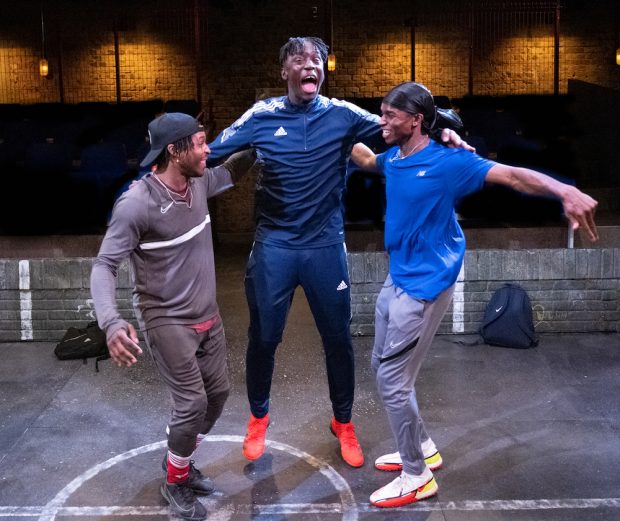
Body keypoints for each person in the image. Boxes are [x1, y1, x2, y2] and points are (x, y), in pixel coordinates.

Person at [206, 36, 470, 468]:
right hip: (274, 245)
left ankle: (343, 423)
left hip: (325, 246)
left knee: (337, 340)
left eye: (318, 60)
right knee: (264, 339)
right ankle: (258, 418)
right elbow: (210, 153)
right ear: (284, 71)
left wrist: (443, 126)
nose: (310, 65)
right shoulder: (261, 116)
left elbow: (397, 126)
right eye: (300, 59)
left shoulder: (342, 115)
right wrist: (165, 171)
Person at [350, 81, 599, 508]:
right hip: (398, 276)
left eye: (390, 115)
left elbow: (514, 177)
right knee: (384, 368)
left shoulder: (450, 162)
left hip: (425, 285)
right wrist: (336, 132)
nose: (382, 121)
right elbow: (368, 158)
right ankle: (423, 445)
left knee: (392, 381)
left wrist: (565, 191)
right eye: (381, 113)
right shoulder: (394, 159)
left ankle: (416, 475)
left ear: (415, 120)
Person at [90, 112, 255, 521]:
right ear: (174, 151)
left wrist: (272, 142)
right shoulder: (137, 203)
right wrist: (111, 322)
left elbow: (232, 170)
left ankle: (178, 460)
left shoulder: (197, 183)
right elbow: (104, 266)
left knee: (217, 395)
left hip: (207, 316)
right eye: (200, 143)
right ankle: (175, 480)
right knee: (191, 403)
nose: (208, 149)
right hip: (167, 320)